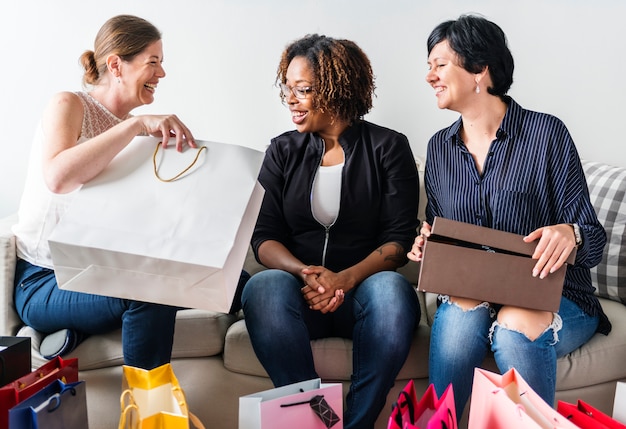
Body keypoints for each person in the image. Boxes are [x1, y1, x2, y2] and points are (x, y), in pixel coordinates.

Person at [407, 14, 611, 418]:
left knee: (515, 326)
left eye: (439, 64)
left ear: (479, 69)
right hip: (475, 291)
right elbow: (441, 229)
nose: (429, 75)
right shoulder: (439, 149)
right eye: (428, 66)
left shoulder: (546, 134)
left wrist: (571, 234)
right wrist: (427, 240)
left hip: (557, 294)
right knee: (460, 319)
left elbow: (593, 238)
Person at [241, 34, 421, 428]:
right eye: (287, 89)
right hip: (301, 294)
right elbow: (263, 236)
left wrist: (344, 278)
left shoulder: (388, 147)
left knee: (394, 292)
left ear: (337, 89)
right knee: (262, 287)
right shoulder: (282, 150)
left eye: (302, 90)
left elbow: (398, 239)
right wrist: (303, 271)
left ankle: (356, 423)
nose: (290, 99)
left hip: (363, 291)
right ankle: (313, 422)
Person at [12, 15, 198, 369]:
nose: (161, 74)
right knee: (150, 295)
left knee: (235, 281)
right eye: (153, 63)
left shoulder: (141, 138)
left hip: (104, 270)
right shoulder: (69, 105)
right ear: (116, 64)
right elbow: (58, 177)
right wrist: (136, 125)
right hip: (45, 280)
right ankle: (150, 419)